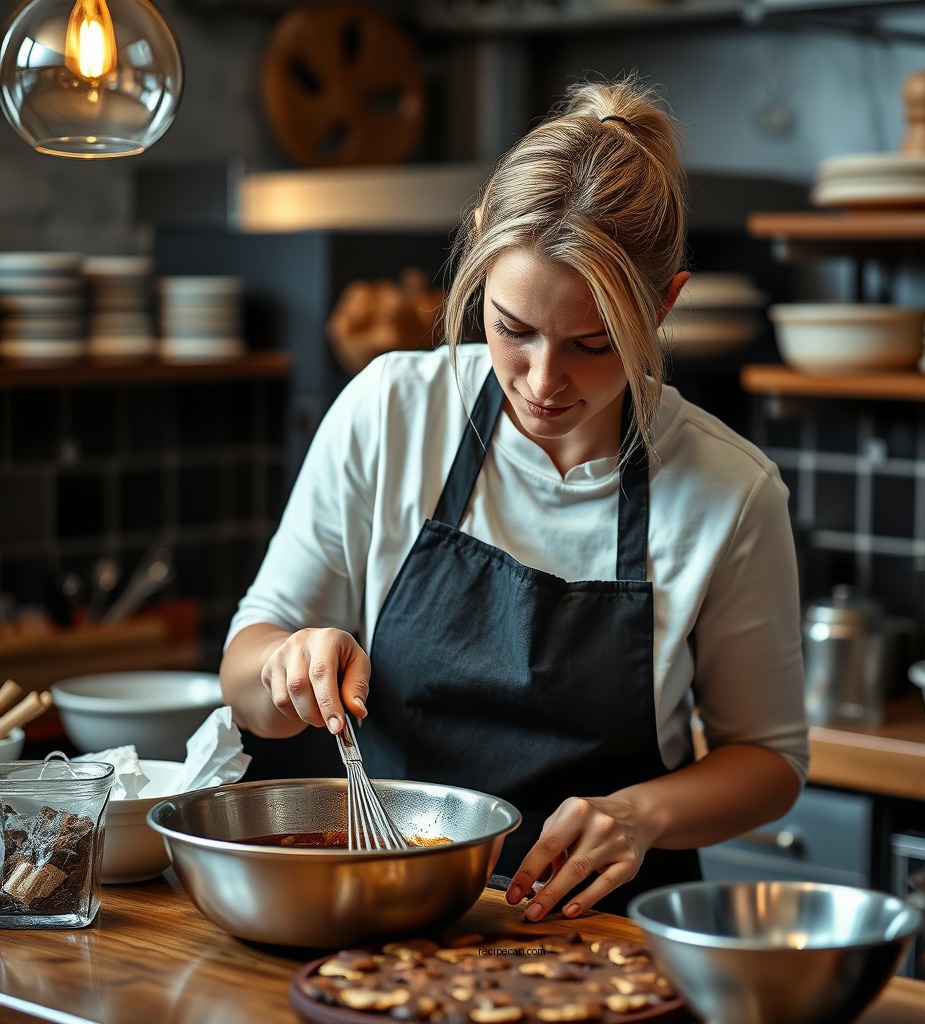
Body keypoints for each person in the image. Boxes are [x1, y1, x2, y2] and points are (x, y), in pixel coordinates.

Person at [220, 72, 809, 921]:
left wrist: (640, 814)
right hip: (387, 908)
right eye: (512, 329)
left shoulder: (731, 492)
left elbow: (770, 761)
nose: (542, 381)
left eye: (593, 344)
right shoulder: (391, 412)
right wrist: (284, 668)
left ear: (665, 304)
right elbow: (246, 672)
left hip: (602, 931)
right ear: (479, 249)